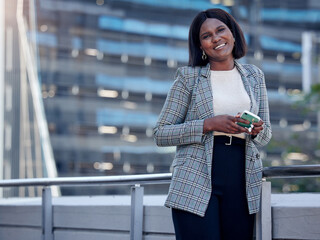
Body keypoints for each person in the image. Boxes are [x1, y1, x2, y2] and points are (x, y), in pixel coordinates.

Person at [153, 8, 272, 240]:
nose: (216, 38)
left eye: (220, 30)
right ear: (201, 46)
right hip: (195, 177)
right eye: (206, 36)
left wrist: (257, 129)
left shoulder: (254, 76)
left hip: (242, 178)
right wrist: (207, 124)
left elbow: (266, 134)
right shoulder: (188, 78)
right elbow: (161, 133)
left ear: (233, 34)